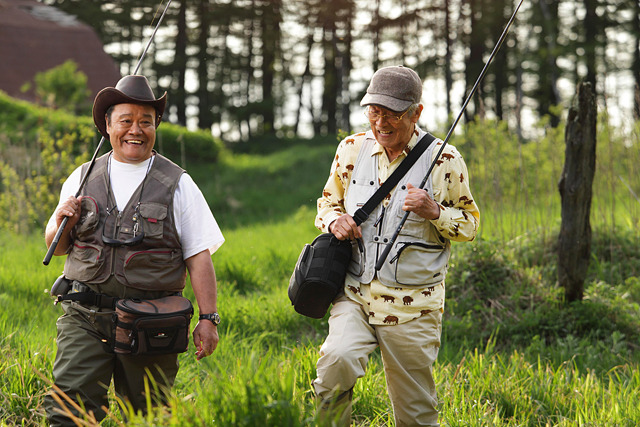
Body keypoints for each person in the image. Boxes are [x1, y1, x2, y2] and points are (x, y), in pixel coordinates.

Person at [43, 75, 224, 425]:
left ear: (156, 126)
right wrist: (59, 218)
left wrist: (208, 318)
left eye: (146, 121)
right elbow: (58, 245)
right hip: (84, 315)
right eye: (125, 120)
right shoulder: (80, 178)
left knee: (148, 417)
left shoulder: (179, 183)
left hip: (152, 323)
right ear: (107, 126)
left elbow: (199, 255)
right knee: (68, 414)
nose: (135, 130)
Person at [313, 65, 480, 426]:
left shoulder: (445, 160)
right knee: (335, 364)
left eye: (393, 113)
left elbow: (470, 225)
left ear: (416, 112)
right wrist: (334, 220)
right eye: (374, 111)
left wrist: (434, 210)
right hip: (354, 292)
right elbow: (327, 203)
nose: (382, 122)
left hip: (414, 307)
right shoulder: (351, 149)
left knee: (415, 412)